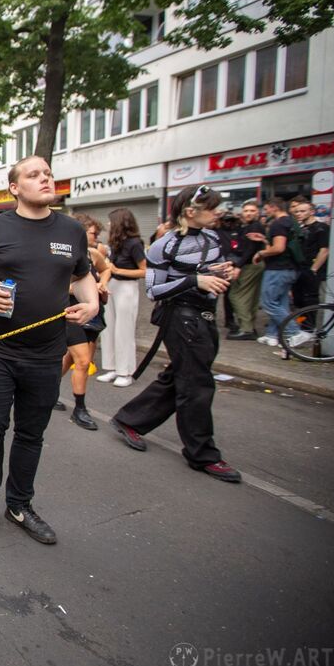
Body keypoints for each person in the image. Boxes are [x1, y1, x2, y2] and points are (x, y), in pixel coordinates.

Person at [0, 156, 97, 545]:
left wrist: (92, 304)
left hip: (46, 353)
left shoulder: (71, 230)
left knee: (31, 433)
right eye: (34, 175)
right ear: (15, 188)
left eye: (47, 173)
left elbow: (83, 276)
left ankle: (19, 504)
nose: (45, 179)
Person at [109, 185, 242, 483]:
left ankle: (129, 419)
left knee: (181, 376)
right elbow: (154, 289)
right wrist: (195, 280)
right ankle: (202, 453)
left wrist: (225, 273)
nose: (218, 212)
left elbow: (211, 273)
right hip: (181, 318)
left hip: (206, 318)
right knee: (196, 384)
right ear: (190, 211)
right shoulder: (164, 245)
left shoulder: (214, 237)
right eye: (212, 207)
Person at [58, 215, 111, 430]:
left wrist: (102, 284)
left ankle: (48, 391)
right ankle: (80, 409)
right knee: (82, 360)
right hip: (69, 311)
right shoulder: (61, 252)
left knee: (71, 359)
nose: (94, 237)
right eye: (91, 233)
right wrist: (76, 288)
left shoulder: (92, 253)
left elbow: (106, 268)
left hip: (93, 312)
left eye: (96, 234)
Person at [95, 208, 146, 388]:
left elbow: (144, 271)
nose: (108, 224)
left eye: (111, 221)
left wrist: (118, 270)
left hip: (127, 287)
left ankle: (126, 371)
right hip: (113, 286)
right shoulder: (116, 243)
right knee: (109, 328)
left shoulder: (135, 244)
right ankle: (112, 368)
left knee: (124, 330)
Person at [254, 197, 307, 348]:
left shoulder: (278, 224)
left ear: (274, 208)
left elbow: (279, 248)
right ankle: (273, 335)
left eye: (266, 209)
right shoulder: (292, 222)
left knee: (268, 302)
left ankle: (295, 332)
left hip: (278, 269)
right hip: (291, 268)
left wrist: (262, 253)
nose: (265, 213)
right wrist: (264, 239)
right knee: (281, 304)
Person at [226, 200, 266, 340]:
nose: (248, 213)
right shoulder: (251, 226)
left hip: (250, 265)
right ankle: (249, 327)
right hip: (254, 265)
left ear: (258, 212)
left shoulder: (254, 227)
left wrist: (238, 266)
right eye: (246, 211)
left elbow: (250, 250)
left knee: (236, 295)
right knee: (250, 297)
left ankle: (246, 329)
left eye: (252, 211)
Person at [289, 196, 330, 315]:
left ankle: (309, 328)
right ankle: (302, 325)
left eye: (302, 211)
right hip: (300, 268)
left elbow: (324, 250)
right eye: (296, 211)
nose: (299, 214)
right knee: (298, 299)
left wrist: (314, 269)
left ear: (311, 211)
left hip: (312, 269)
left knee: (310, 299)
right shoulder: (299, 229)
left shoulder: (321, 227)